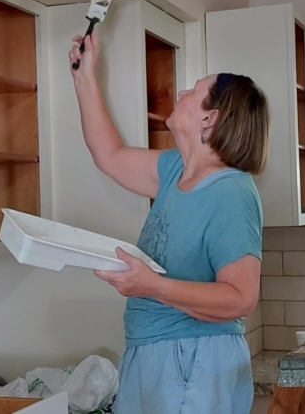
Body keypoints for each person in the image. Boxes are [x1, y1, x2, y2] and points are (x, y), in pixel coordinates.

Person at [68, 32, 269, 414]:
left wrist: (151, 285)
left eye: (193, 91)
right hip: (155, 355)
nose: (181, 93)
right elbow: (109, 154)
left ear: (210, 117)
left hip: (193, 358)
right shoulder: (175, 169)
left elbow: (241, 298)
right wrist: (84, 77)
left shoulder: (232, 193)